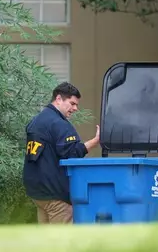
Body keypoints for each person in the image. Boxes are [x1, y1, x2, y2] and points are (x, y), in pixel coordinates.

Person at [22, 82, 100, 224]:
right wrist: (95, 142)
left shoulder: (36, 120)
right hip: (55, 196)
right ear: (58, 99)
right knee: (62, 242)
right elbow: (72, 153)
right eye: (72, 103)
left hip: (37, 193)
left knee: (47, 241)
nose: (75, 108)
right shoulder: (59, 124)